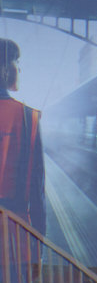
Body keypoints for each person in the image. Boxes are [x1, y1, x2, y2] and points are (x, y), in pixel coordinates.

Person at [0, 39, 44, 232]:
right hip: (15, 234)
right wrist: (40, 236)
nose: (20, 69)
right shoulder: (28, 117)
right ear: (5, 68)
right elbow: (36, 187)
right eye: (17, 61)